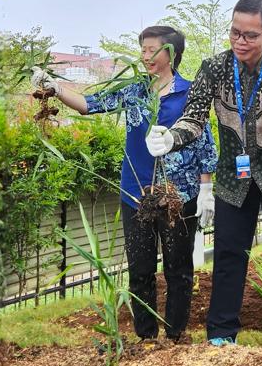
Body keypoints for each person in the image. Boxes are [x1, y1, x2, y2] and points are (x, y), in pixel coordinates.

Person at [147, 0, 262, 351]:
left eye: (250, 35)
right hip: (234, 176)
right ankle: (221, 332)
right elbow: (194, 118)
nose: (240, 41)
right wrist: (171, 138)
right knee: (228, 253)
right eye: (235, 33)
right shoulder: (214, 68)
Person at [34, 26, 217, 345]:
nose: (145, 56)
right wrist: (56, 88)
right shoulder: (134, 91)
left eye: (151, 49)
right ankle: (146, 337)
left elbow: (204, 142)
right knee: (140, 270)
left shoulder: (190, 94)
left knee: (178, 269)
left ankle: (175, 336)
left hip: (178, 194)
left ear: (171, 53)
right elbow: (88, 104)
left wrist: (206, 190)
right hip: (136, 193)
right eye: (142, 49)